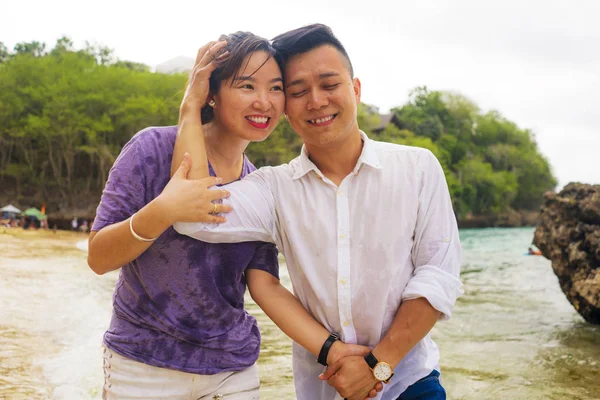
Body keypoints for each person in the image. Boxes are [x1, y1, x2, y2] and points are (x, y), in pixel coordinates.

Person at [172, 24, 463, 400]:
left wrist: (378, 367)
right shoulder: (274, 189)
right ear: (285, 109)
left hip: (409, 383)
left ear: (355, 90)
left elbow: (437, 274)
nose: (316, 101)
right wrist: (191, 104)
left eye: (329, 85)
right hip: (323, 389)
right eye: (297, 92)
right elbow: (192, 214)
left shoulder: (418, 168)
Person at [86, 31, 362, 400]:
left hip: (232, 369)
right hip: (143, 363)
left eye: (276, 88)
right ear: (212, 94)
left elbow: (265, 286)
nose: (263, 101)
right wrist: (164, 209)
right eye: (246, 86)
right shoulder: (151, 148)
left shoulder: (261, 186)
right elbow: (99, 258)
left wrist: (333, 349)